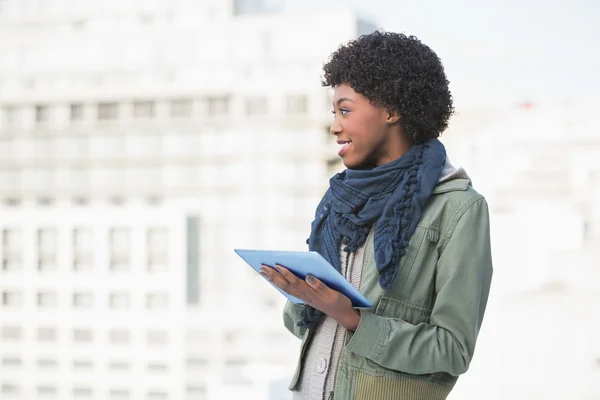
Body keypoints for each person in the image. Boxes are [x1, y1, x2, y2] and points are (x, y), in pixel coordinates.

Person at [259, 31, 493, 400]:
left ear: (390, 111)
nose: (335, 125)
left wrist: (353, 318)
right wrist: (301, 294)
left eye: (345, 110)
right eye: (334, 112)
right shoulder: (340, 199)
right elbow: (306, 327)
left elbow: (453, 349)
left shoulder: (458, 208)